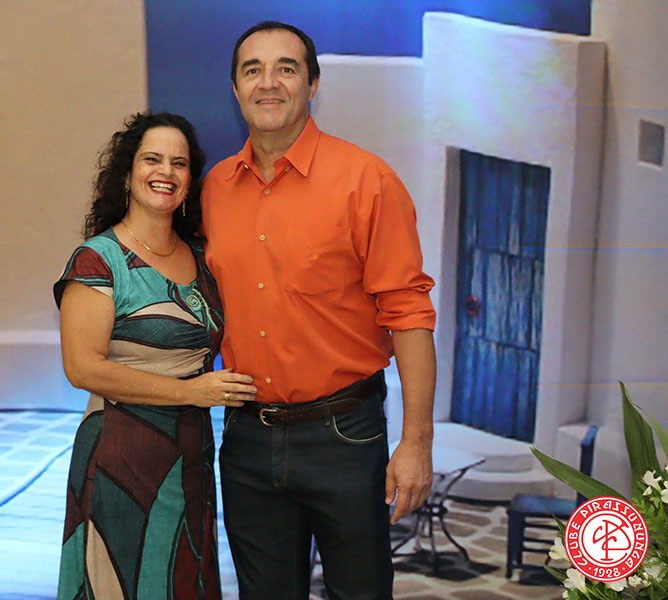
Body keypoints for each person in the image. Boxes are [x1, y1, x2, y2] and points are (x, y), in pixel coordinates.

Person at [201, 21, 437, 599]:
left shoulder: (366, 181)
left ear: (312, 84)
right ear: (235, 88)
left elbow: (408, 313)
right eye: (252, 70)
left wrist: (416, 443)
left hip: (344, 436)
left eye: (286, 68)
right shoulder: (214, 189)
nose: (268, 82)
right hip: (247, 437)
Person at [53, 112, 257, 600]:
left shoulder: (202, 256)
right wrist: (191, 392)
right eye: (152, 159)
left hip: (190, 457)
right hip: (121, 461)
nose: (166, 171)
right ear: (127, 175)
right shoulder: (99, 259)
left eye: (179, 163)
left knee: (184, 579)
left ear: (189, 182)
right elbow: (82, 368)